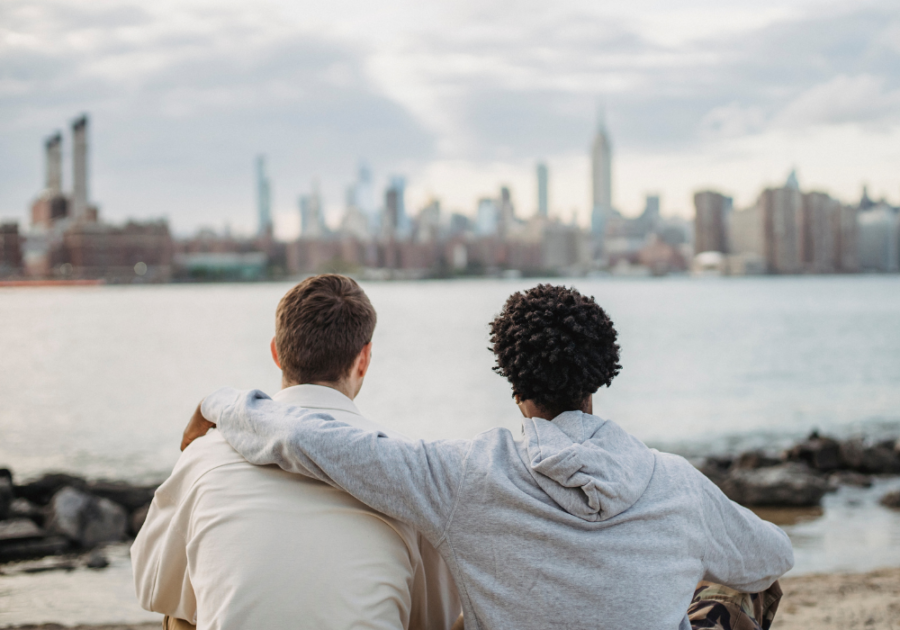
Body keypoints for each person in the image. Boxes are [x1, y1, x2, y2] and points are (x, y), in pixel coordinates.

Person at [187, 283, 793, 630]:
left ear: (511, 379)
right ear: (600, 376)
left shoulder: (460, 475)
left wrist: (222, 403)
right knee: (743, 591)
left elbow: (310, 439)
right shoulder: (675, 483)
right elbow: (772, 558)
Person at [132, 274, 461, 630]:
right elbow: (432, 621)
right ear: (363, 359)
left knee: (178, 615)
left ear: (276, 352)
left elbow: (151, 586)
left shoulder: (205, 456)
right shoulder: (409, 473)